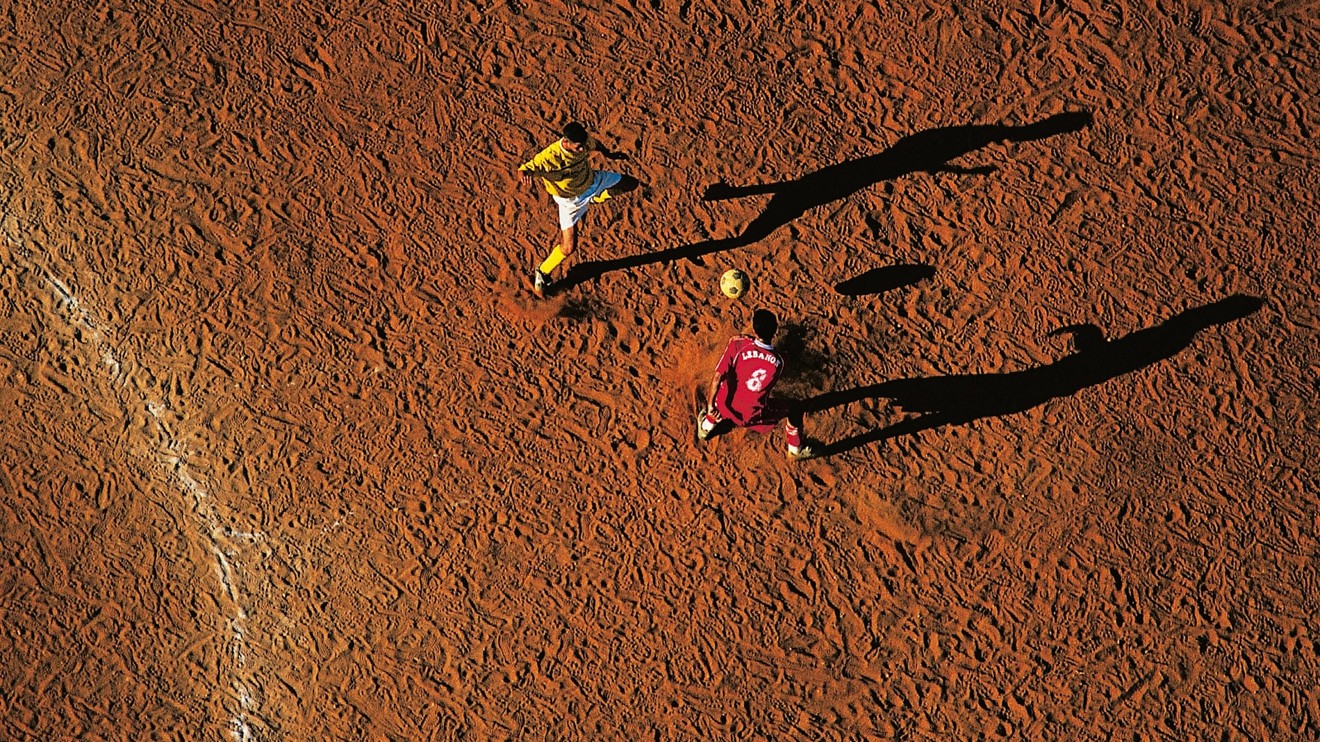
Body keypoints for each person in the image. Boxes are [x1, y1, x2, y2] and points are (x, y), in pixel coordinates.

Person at [518, 121, 640, 296]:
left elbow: (595, 144)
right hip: (569, 202)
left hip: (593, 181)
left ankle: (597, 197)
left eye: (583, 146)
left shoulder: (584, 142)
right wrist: (524, 176)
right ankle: (543, 271)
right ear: (566, 142)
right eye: (578, 147)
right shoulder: (548, 158)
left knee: (630, 184)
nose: (583, 150)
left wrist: (610, 154)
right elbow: (524, 169)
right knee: (568, 248)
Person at [699, 309, 814, 460]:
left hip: (724, 408)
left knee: (721, 393)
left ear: (754, 329)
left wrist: (710, 406)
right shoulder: (779, 361)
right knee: (795, 408)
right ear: (774, 331)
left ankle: (706, 427)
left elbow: (717, 378)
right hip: (753, 416)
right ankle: (795, 450)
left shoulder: (738, 345)